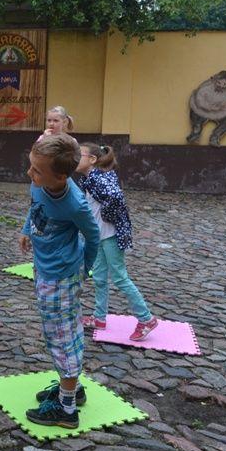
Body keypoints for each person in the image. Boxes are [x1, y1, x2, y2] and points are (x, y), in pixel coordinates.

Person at [19, 134, 99, 429]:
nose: (30, 174)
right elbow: (34, 205)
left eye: (37, 171)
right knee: (61, 330)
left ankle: (66, 410)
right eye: (31, 167)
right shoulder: (39, 183)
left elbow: (93, 237)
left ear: (62, 176)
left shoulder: (75, 204)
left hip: (62, 277)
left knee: (62, 337)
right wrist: (27, 229)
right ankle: (73, 390)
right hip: (44, 269)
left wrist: (85, 270)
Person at [75, 143, 158, 341]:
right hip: (99, 236)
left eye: (79, 155)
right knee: (100, 277)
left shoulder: (100, 178)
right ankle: (99, 317)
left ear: (92, 160)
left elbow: (115, 197)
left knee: (120, 278)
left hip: (110, 235)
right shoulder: (89, 178)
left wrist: (106, 215)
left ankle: (146, 319)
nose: (75, 158)